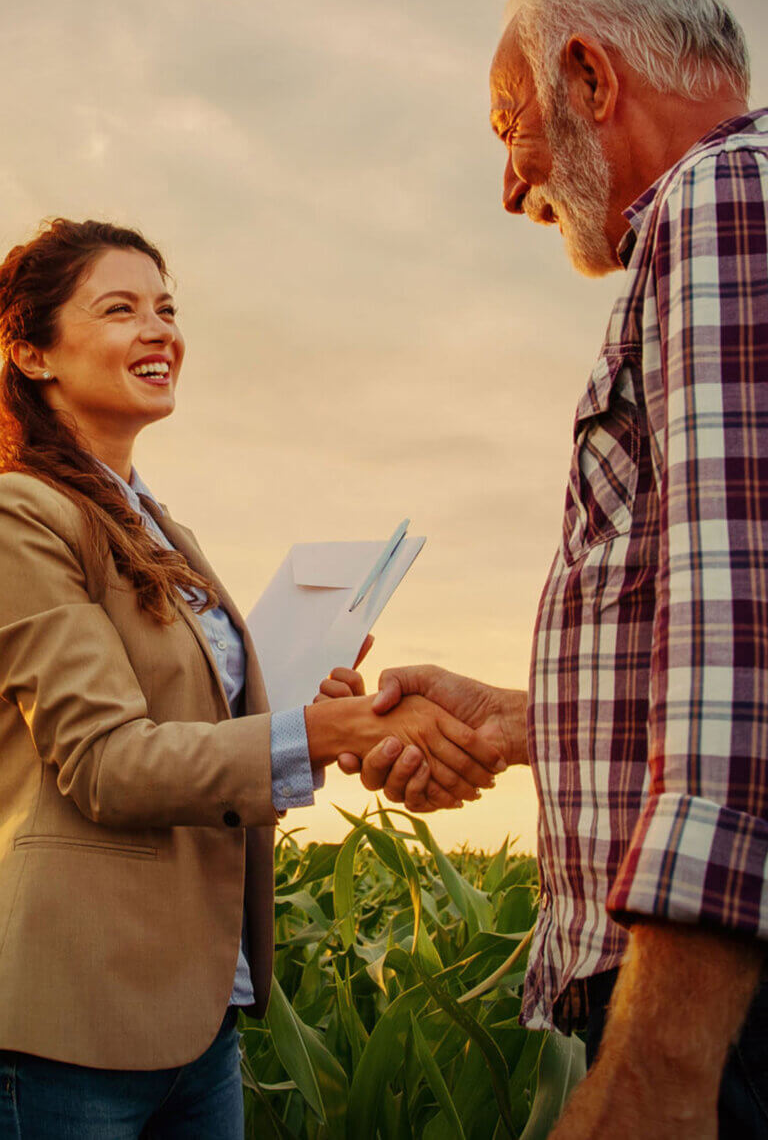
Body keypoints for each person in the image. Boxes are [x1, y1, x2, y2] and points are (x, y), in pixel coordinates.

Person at [323, 0, 768, 1140]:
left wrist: (662, 1067)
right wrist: (521, 720)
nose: (510, 185)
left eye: (507, 125)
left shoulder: (721, 199)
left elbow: (745, 636)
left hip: (720, 1014)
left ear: (590, 77)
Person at [0, 217, 505, 1140]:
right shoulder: (20, 515)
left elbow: (206, 738)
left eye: (167, 307)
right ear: (31, 350)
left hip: (203, 1013)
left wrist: (320, 716)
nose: (160, 331)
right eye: (120, 309)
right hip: (74, 1020)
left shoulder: (168, 536)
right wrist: (320, 736)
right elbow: (106, 764)